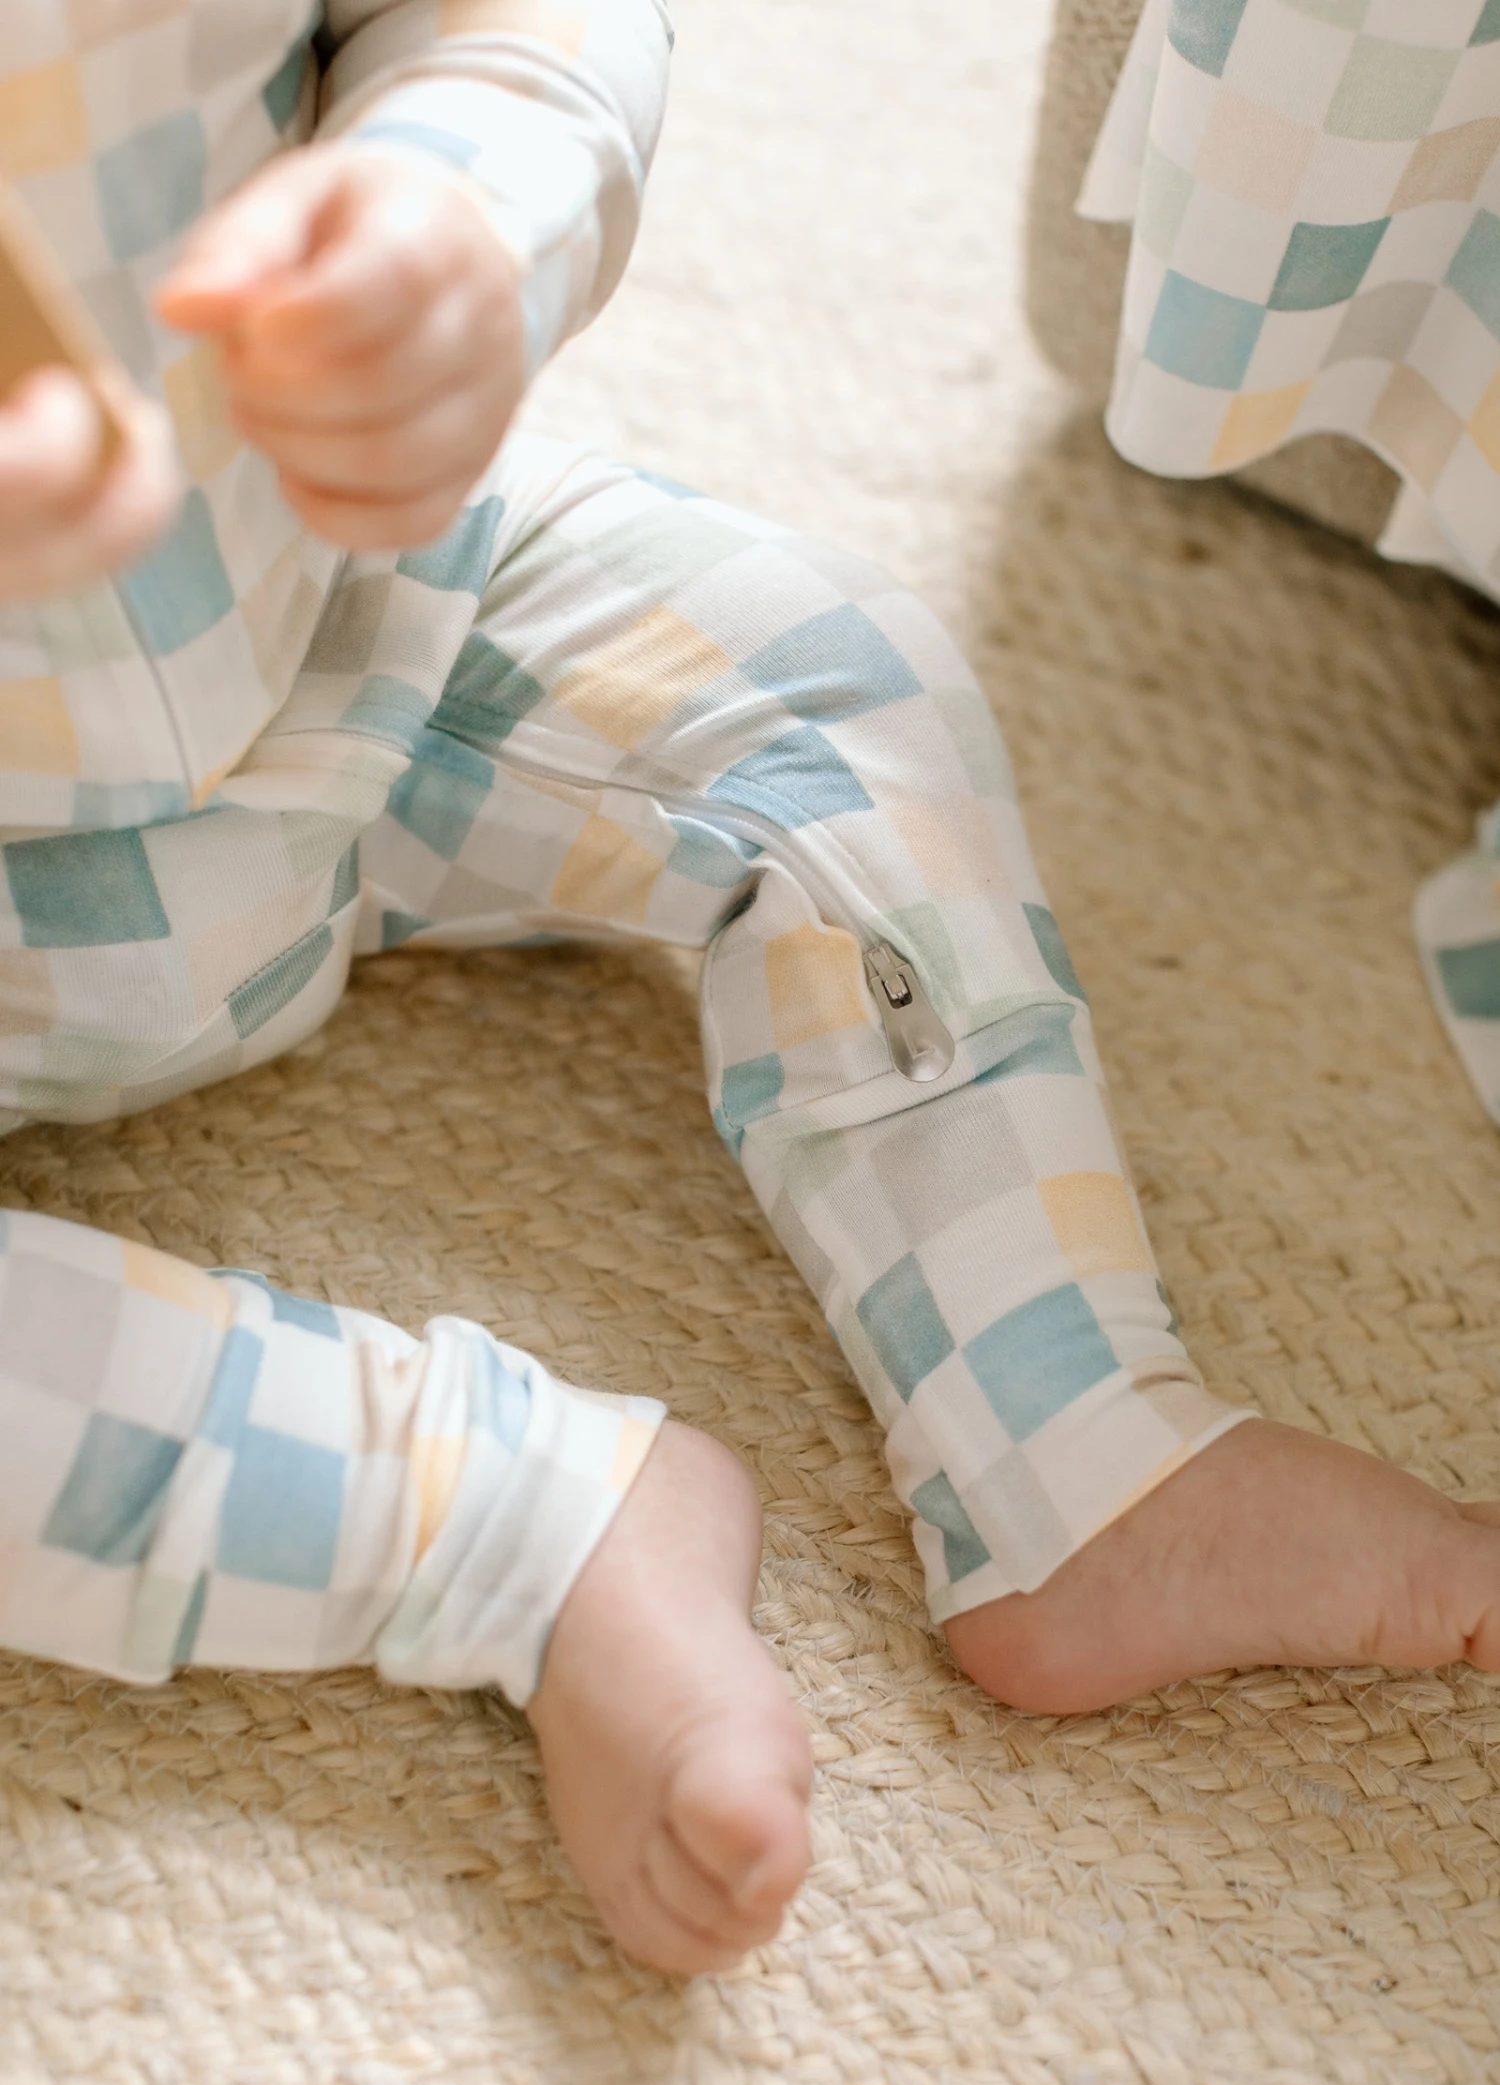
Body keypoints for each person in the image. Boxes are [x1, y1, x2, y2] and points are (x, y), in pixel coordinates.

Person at [1, 0, 1497, 1982]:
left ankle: (1072, 1444)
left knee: (830, 670)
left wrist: (461, 210)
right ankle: (499, 1523)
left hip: (354, 622)